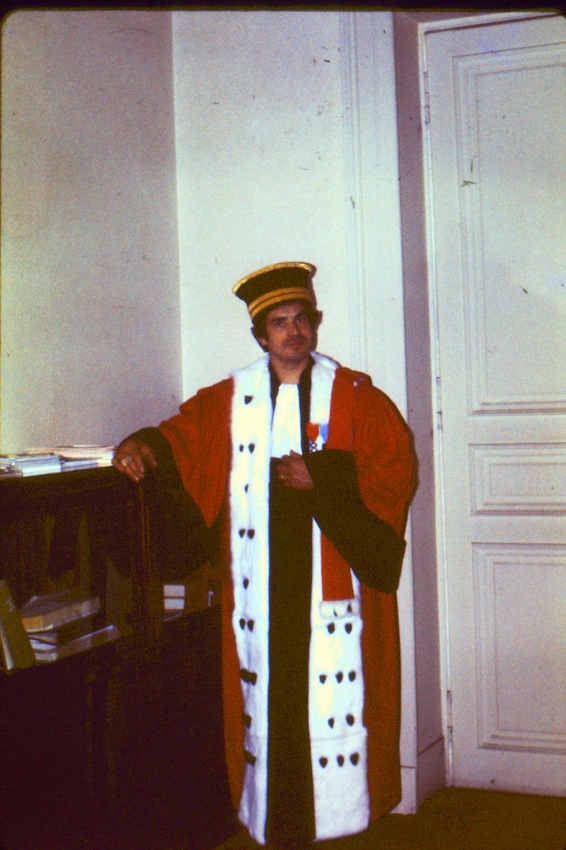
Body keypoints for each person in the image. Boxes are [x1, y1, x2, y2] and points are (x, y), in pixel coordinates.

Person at [113, 262, 416, 849]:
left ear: (314, 324)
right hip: (261, 581)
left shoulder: (358, 396)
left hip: (331, 578)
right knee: (269, 698)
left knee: (325, 698)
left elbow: (394, 467)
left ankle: (336, 817)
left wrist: (321, 477)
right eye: (279, 322)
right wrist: (142, 445)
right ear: (260, 335)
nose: (293, 331)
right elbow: (180, 438)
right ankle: (277, 819)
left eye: (301, 319)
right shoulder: (230, 398)